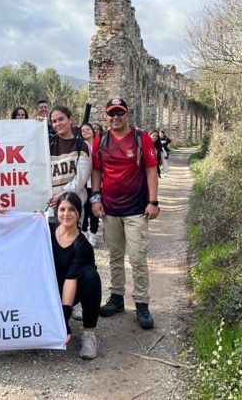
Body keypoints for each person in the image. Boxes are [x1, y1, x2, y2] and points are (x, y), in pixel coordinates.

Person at [90, 97, 159, 329]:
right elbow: (97, 170)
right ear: (106, 116)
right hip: (110, 208)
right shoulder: (101, 139)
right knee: (115, 256)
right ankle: (117, 298)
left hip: (136, 209)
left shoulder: (141, 138)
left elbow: (151, 170)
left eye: (120, 112)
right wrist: (96, 198)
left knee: (138, 258)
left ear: (128, 114)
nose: (115, 117)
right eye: (111, 113)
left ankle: (141, 303)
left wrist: (153, 201)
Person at [39, 192, 101, 359]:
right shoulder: (45, 230)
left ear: (78, 214)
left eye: (71, 210)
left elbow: (70, 281)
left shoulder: (82, 245)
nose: (66, 214)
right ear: (56, 212)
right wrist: (34, 221)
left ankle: (89, 333)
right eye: (62, 209)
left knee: (91, 276)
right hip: (46, 290)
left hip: (70, 289)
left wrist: (63, 323)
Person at [79, 123, 100, 246]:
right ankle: (84, 232)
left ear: (93, 131)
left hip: (97, 183)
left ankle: (93, 234)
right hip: (85, 182)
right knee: (85, 209)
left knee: (94, 209)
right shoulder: (81, 146)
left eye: (88, 129)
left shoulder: (99, 145)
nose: (86, 131)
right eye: (83, 130)